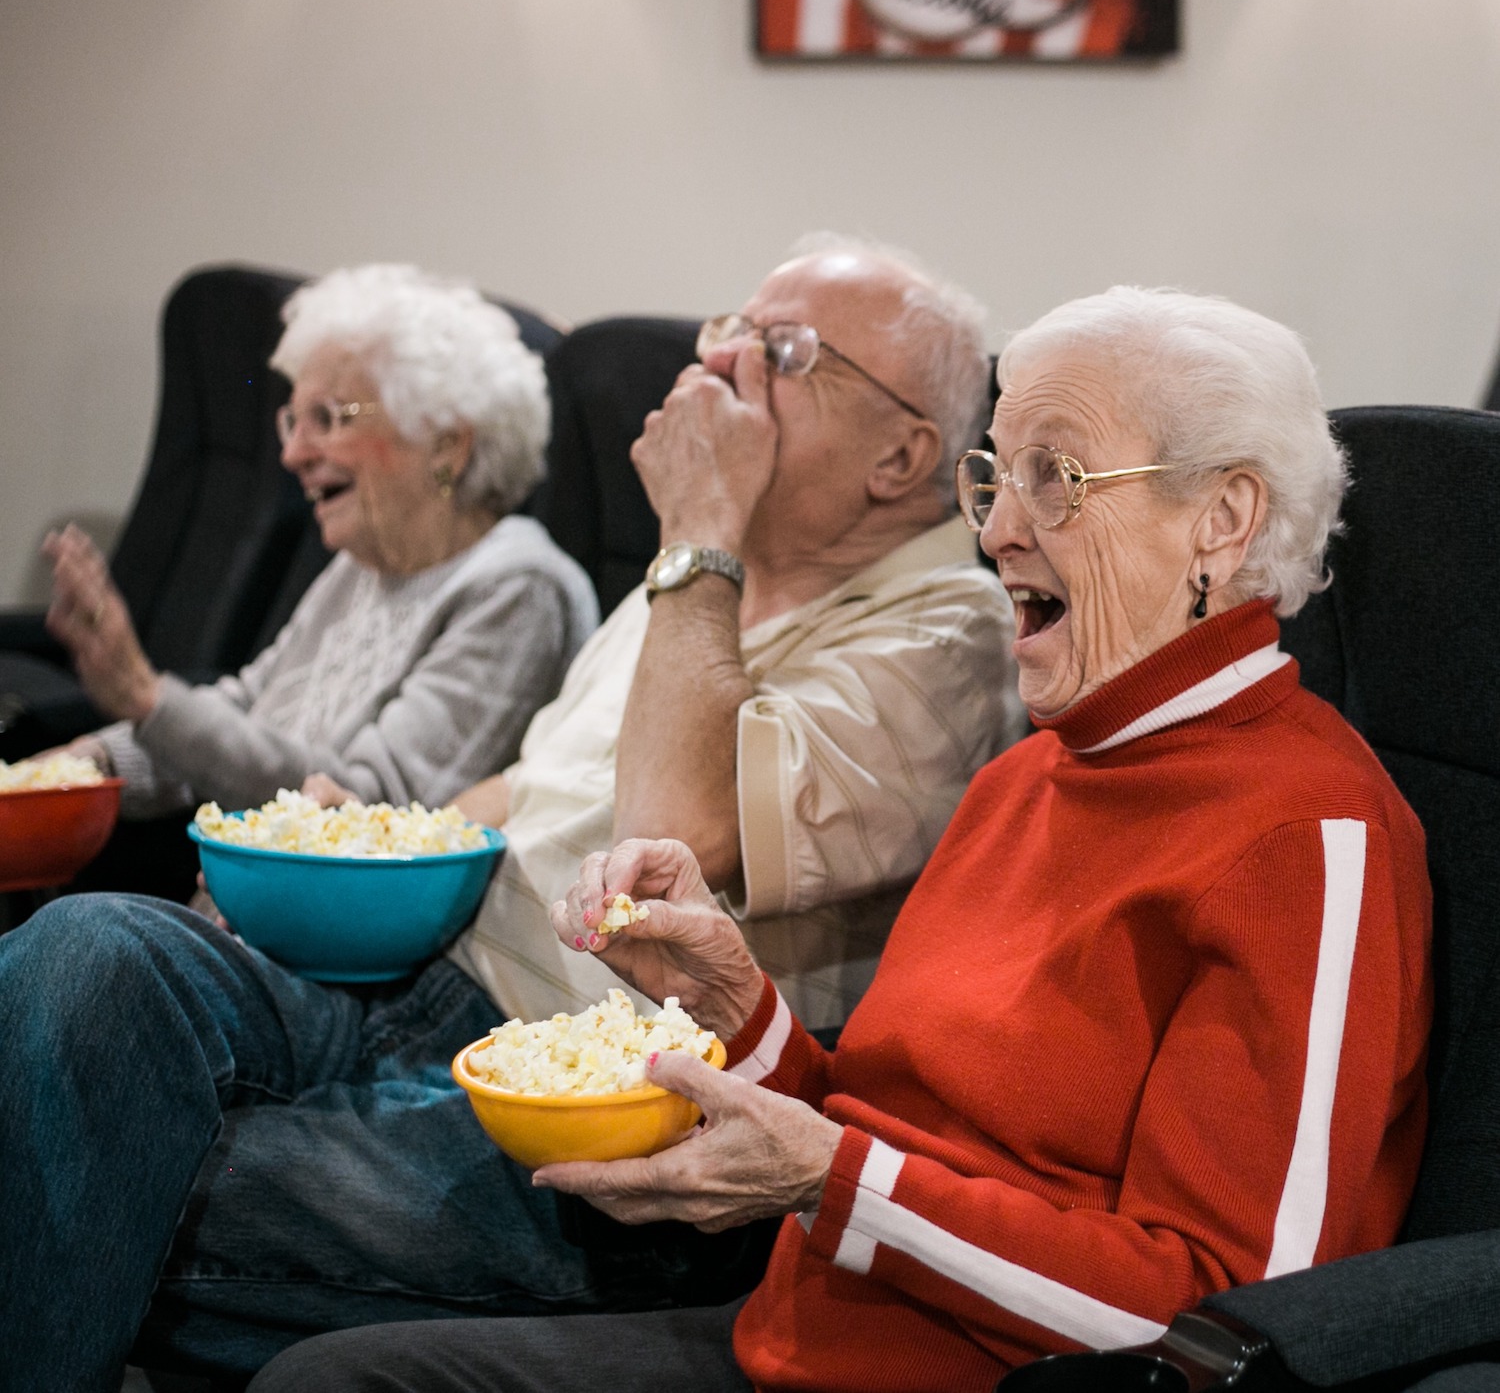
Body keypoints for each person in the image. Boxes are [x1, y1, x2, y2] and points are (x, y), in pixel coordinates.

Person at [246, 287, 1434, 1393]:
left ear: (1220, 521)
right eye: (995, 479)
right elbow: (878, 1121)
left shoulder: (1308, 831)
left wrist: (834, 1181)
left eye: (1056, 478)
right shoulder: (1027, 778)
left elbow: (1223, 1325)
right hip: (797, 1330)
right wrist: (739, 1012)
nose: (1001, 531)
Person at [0, 238, 1022, 1391]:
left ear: (902, 454)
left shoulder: (947, 636)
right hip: (429, 988)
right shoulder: (695, 582)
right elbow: (531, 789)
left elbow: (667, 838)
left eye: (781, 352)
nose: (721, 361)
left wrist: (701, 537)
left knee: (89, 1161)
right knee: (84, 952)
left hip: (600, 1111)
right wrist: (349, 849)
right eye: (723, 329)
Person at [41, 262, 596, 822]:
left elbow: (367, 805)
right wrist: (87, 763)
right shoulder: (364, 566)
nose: (293, 455)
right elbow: (247, 709)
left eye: (329, 419)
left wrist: (147, 698)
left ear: (446, 447)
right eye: (293, 421)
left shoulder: (520, 591)